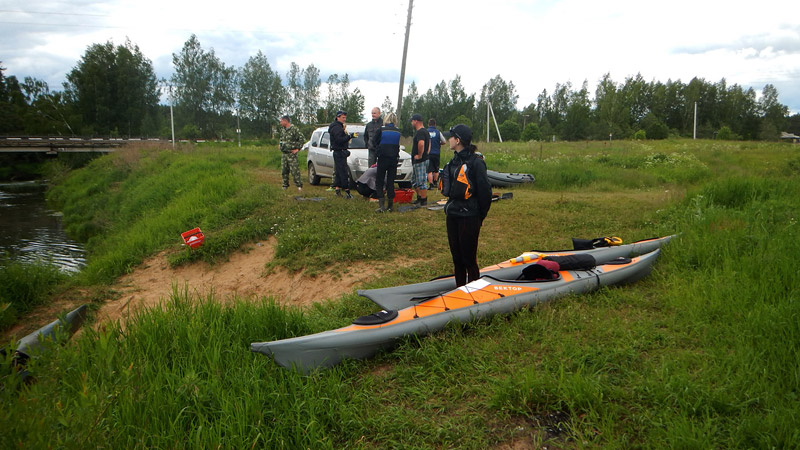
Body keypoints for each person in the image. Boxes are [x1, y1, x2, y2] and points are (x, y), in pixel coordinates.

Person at [441, 124, 492, 287]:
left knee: (469, 259)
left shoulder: (476, 163)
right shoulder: (453, 161)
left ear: (457, 140)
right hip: (453, 215)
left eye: (451, 137)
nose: (448, 139)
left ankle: (474, 295)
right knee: (457, 259)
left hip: (469, 217)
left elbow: (485, 193)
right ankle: (460, 291)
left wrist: (479, 216)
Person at [374, 112, 401, 212]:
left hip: (383, 157)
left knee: (379, 180)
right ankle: (390, 205)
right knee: (391, 181)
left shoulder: (381, 129)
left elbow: (375, 142)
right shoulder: (398, 131)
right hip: (393, 158)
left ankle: (381, 205)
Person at [328, 110, 353, 198]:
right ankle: (347, 191)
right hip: (340, 151)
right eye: (343, 117)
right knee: (343, 172)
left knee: (338, 172)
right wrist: (350, 136)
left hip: (338, 152)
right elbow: (339, 140)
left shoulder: (337, 126)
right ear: (338, 117)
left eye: (345, 117)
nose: (344, 119)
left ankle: (337, 189)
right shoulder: (337, 128)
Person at [278, 115, 305, 191]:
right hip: (284, 154)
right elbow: (282, 138)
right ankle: (285, 186)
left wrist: (298, 149)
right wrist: (280, 144)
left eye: (281, 121)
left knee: (295, 171)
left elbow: (302, 139)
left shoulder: (294, 129)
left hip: (291, 154)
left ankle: (299, 186)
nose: (280, 123)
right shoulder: (283, 130)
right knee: (284, 170)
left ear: (286, 121)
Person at [409, 113, 430, 206]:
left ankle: (423, 200)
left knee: (421, 181)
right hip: (421, 160)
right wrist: (427, 152)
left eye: (412, 121)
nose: (411, 123)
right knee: (414, 180)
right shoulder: (425, 131)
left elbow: (421, 144)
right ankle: (419, 197)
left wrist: (420, 155)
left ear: (416, 121)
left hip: (420, 160)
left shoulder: (420, 132)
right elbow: (429, 144)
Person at [426, 118, 446, 189]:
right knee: (436, 169)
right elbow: (444, 141)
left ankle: (430, 184)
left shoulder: (426, 132)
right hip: (436, 153)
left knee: (429, 170)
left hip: (428, 153)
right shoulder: (438, 132)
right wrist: (439, 143)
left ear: (428, 124)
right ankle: (435, 182)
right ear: (435, 124)